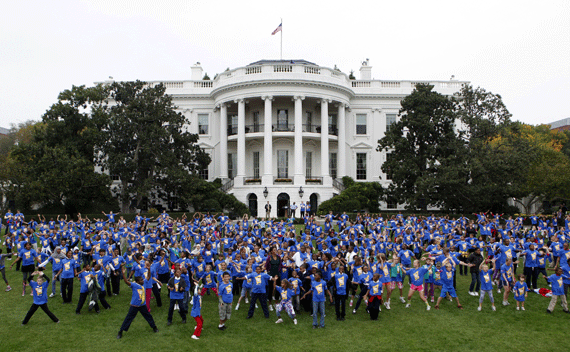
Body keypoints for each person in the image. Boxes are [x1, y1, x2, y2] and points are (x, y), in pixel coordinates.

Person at [117, 267, 159, 339]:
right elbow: (126, 282)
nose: (143, 280)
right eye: (141, 280)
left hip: (142, 305)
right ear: (137, 281)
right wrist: (123, 274)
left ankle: (154, 327)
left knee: (148, 316)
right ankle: (120, 331)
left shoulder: (144, 283)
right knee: (128, 318)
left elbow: (148, 277)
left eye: (142, 279)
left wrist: (149, 269)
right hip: (134, 305)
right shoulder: (134, 285)